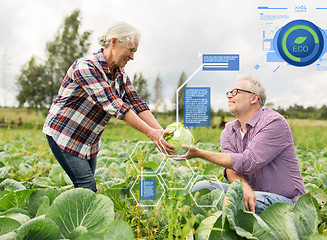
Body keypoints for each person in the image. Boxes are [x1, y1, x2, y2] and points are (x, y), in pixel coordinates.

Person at [43, 22, 174, 193]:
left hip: (88, 140)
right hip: (64, 135)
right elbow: (114, 105)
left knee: (86, 188)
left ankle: (81, 218)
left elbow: (138, 104)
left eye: (135, 51)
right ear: (114, 42)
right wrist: (151, 134)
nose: (133, 56)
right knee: (86, 186)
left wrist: (161, 133)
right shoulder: (85, 67)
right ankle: (77, 219)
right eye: (131, 49)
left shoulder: (120, 75)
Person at [178, 74, 305, 214]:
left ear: (254, 98)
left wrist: (199, 153)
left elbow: (248, 161)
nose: (229, 96)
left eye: (235, 92)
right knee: (201, 188)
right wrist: (244, 186)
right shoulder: (229, 130)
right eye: (229, 93)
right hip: (251, 196)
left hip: (286, 203)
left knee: (235, 203)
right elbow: (231, 168)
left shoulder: (274, 122)